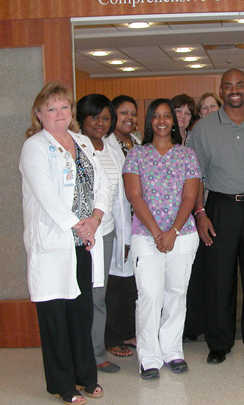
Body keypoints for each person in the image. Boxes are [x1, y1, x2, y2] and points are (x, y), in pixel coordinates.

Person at [20, 82, 110, 404]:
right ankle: (63, 385)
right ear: (39, 114)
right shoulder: (34, 147)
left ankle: (86, 376)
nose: (60, 113)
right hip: (55, 244)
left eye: (64, 107)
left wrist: (96, 219)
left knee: (81, 313)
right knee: (55, 317)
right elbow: (46, 196)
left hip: (82, 243)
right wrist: (78, 226)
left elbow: (102, 184)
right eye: (52, 108)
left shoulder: (83, 141)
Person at [188, 69, 244, 365]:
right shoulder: (204, 128)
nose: (234, 90)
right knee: (219, 279)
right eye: (228, 86)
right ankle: (219, 343)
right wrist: (200, 213)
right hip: (219, 208)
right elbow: (194, 175)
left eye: (239, 85)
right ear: (221, 90)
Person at [123, 99, 201, 379]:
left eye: (167, 115)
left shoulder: (187, 155)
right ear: (149, 121)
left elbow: (190, 197)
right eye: (156, 116)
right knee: (149, 295)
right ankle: (150, 357)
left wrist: (173, 232)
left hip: (182, 235)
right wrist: (158, 233)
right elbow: (135, 196)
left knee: (176, 295)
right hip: (146, 236)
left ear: (175, 121)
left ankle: (172, 351)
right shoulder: (137, 155)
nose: (162, 120)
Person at [77, 94, 133, 372]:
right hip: (81, 233)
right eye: (94, 117)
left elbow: (121, 199)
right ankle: (86, 353)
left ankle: (96, 353)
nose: (100, 123)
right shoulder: (75, 146)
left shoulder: (112, 148)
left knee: (99, 294)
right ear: (82, 118)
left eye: (106, 118)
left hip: (108, 231)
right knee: (83, 295)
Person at [104, 94, 139, 356]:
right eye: (124, 112)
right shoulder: (105, 145)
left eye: (133, 113)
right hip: (117, 220)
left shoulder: (137, 143)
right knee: (115, 283)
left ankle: (128, 333)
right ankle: (112, 338)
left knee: (133, 283)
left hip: (138, 221)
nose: (129, 118)